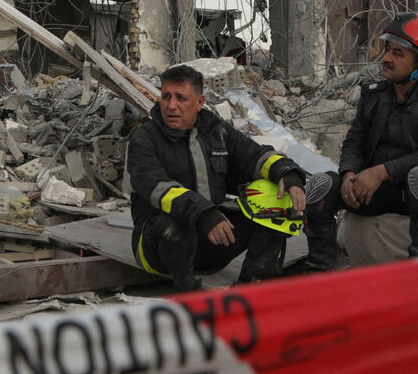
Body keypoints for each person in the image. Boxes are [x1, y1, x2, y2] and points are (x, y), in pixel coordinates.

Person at [298, 13, 418, 271]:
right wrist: (349, 174)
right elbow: (355, 141)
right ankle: (319, 272)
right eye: (388, 49)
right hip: (378, 191)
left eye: (398, 53)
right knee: (322, 184)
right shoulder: (374, 96)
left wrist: (381, 172)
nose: (387, 58)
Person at [128, 64, 307, 291]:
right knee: (174, 226)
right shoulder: (144, 138)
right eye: (166, 97)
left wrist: (287, 173)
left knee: (275, 198)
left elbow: (254, 156)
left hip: (211, 243)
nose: (171, 106)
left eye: (181, 98)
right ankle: (188, 295)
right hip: (159, 247)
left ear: (200, 102)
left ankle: (251, 286)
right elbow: (156, 187)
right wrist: (202, 213)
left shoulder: (216, 130)